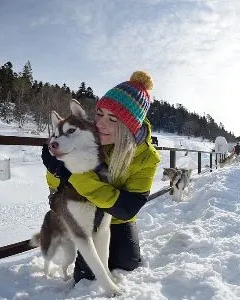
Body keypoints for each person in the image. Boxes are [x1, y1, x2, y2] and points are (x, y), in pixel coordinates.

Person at [41, 71, 161, 283]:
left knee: (128, 263)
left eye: (113, 119)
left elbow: (128, 207)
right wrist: (56, 170)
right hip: (89, 213)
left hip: (119, 215)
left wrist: (72, 173)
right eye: (100, 114)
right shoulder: (87, 136)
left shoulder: (146, 157)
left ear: (129, 127)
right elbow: (58, 188)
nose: (101, 124)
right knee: (86, 277)